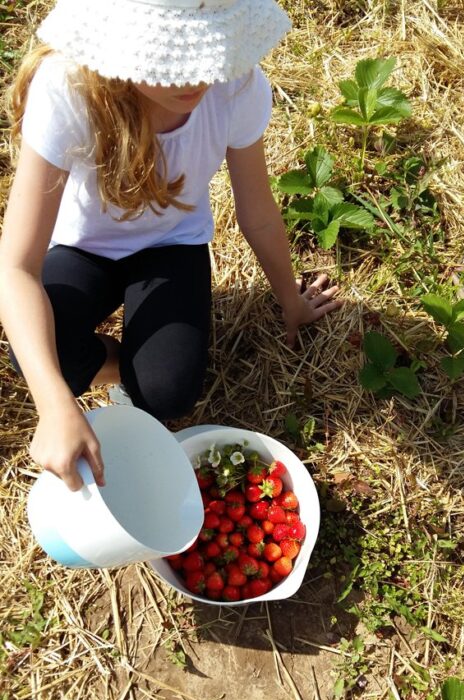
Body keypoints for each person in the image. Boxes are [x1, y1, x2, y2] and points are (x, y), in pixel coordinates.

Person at [0, 0, 341, 493]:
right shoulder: (68, 88)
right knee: (38, 355)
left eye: (207, 53)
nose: (196, 77)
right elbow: (15, 267)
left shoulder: (235, 85)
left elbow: (259, 213)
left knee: (166, 393)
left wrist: (291, 301)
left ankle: (139, 370)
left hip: (171, 244)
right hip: (81, 247)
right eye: (172, 60)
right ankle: (120, 366)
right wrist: (55, 404)